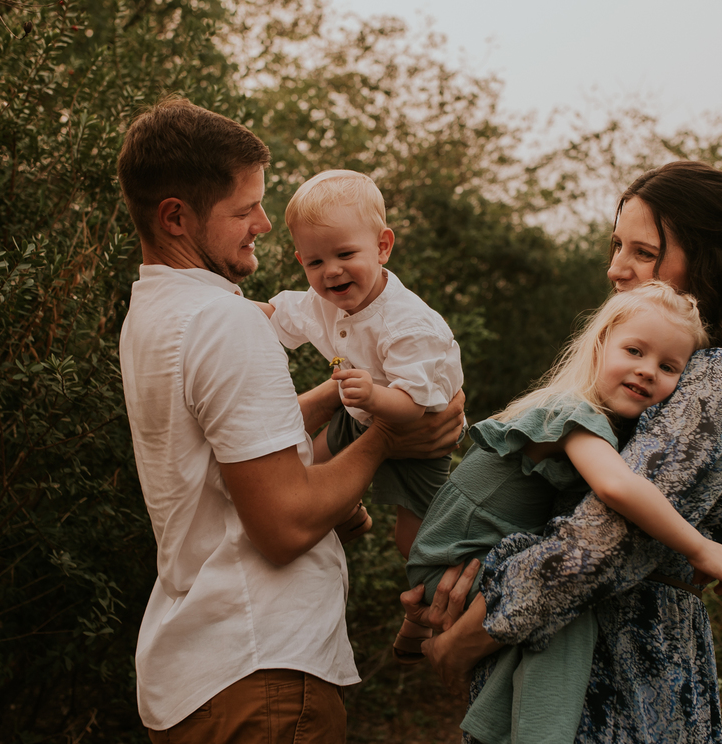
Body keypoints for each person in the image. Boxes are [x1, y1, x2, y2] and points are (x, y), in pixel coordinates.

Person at [404, 161, 722, 744]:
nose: (616, 268)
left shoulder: (719, 375)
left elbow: (604, 540)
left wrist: (473, 633)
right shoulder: (630, 383)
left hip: (625, 669)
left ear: (706, 260)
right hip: (561, 651)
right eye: (616, 245)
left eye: (644, 251)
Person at [116, 98, 464, 743]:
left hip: (199, 673)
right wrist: (391, 432)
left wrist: (340, 396)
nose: (264, 224)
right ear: (176, 217)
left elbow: (236, 450)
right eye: (245, 208)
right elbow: (283, 524)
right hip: (263, 674)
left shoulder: (153, 316)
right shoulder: (225, 320)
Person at [402, 282, 722, 744]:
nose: (646, 371)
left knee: (541, 603)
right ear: (600, 345)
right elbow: (618, 487)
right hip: (456, 561)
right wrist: (700, 546)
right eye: (635, 350)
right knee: (564, 607)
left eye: (667, 366)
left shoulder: (584, 418)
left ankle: (490, 728)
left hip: (455, 558)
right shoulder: (572, 412)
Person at [255, 170, 464, 556]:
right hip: (359, 413)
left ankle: (431, 590)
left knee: (415, 542)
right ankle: (341, 509)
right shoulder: (322, 301)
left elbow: (413, 405)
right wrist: (229, 308)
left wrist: (372, 394)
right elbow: (275, 315)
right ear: (301, 260)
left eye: (345, 254)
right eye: (315, 261)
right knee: (303, 473)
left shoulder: (408, 324)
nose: (330, 271)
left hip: (419, 433)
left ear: (382, 247)